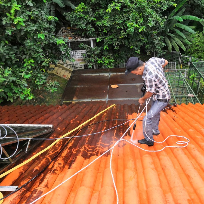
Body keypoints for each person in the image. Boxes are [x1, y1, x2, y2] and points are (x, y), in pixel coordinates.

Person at [125, 57, 170, 146]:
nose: (137, 75)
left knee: (147, 118)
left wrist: (142, 99)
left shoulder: (149, 76)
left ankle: (149, 140)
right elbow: (166, 62)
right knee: (155, 113)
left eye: (136, 73)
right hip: (158, 95)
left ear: (140, 68)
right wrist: (159, 74)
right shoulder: (152, 60)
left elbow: (150, 92)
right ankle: (154, 130)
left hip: (162, 98)